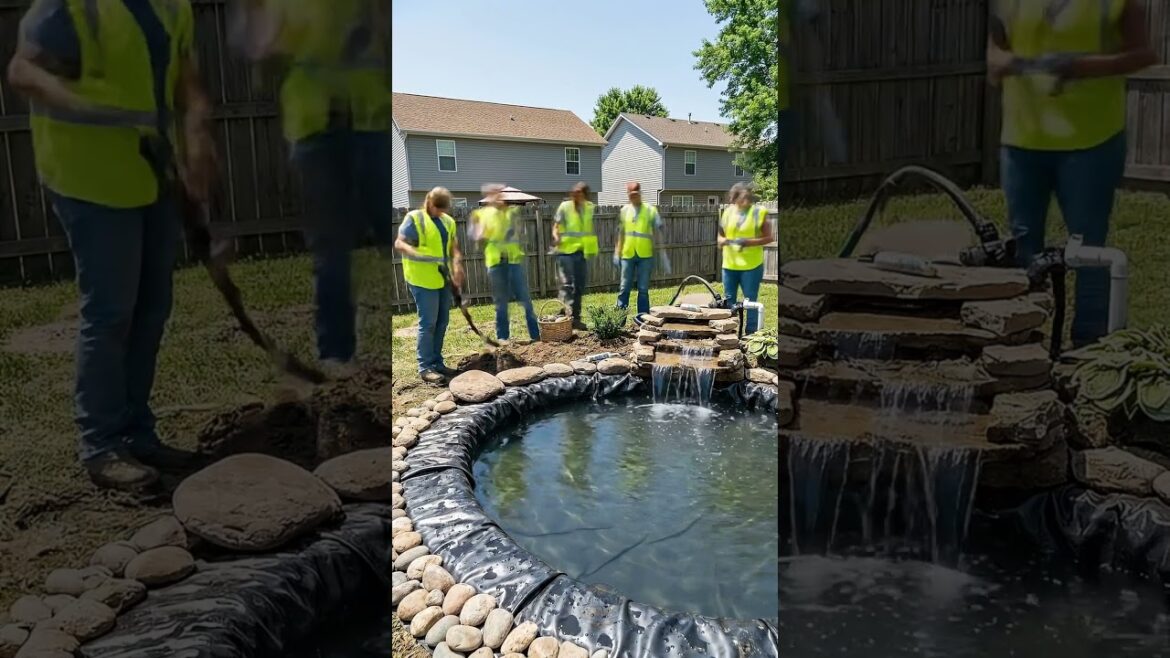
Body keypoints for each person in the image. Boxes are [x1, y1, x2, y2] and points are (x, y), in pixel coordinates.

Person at [7, 0, 216, 491]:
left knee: (151, 308)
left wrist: (196, 132)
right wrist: (93, 109)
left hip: (150, 169)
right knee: (110, 312)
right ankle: (101, 445)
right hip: (87, 173)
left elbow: (184, 74)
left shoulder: (172, 6)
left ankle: (137, 433)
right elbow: (22, 70)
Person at [231, 0, 391, 376]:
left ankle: (416, 339)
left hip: (372, 119)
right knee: (332, 249)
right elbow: (257, 52)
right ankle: (337, 359)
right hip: (315, 127)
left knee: (390, 228)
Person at [987, 0, 1155, 346]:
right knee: (1021, 247)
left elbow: (1143, 54)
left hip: (1091, 142)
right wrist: (1009, 64)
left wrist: (1079, 66)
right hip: (1023, 141)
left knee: (1089, 250)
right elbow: (994, 56)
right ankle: (1020, 348)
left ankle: (1088, 350)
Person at [395, 187, 464, 385]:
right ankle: (425, 367)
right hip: (421, 279)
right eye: (437, 208)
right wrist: (416, 253)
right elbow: (399, 244)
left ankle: (437, 362)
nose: (439, 212)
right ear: (428, 201)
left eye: (443, 209)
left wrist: (458, 264)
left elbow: (454, 247)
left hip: (442, 277)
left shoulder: (447, 221)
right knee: (428, 323)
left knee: (442, 321)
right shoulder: (415, 218)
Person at [473, 185, 540, 344]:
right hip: (496, 264)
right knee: (501, 303)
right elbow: (476, 237)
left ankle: (536, 336)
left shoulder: (511, 213)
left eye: (498, 194)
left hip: (514, 261)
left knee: (525, 300)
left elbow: (516, 231)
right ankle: (503, 338)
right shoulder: (482, 215)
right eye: (492, 195)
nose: (496, 197)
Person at [719, 183, 775, 334]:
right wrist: (721, 241)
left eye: (746, 197)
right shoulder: (728, 212)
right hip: (729, 265)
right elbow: (721, 234)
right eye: (740, 198)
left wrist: (747, 242)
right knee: (728, 300)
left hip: (751, 266)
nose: (744, 201)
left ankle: (751, 334)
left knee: (750, 301)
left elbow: (770, 237)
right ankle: (728, 333)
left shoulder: (759, 212)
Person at [553, 182, 598, 330]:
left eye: (580, 192)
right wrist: (556, 237)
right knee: (567, 285)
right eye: (575, 192)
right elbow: (556, 226)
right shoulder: (565, 207)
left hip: (581, 252)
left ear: (585, 194)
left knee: (579, 287)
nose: (576, 194)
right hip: (565, 252)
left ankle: (574, 317)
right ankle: (568, 317)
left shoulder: (589, 208)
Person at [614, 182, 663, 316]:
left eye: (635, 194)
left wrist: (658, 249)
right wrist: (617, 252)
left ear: (640, 193)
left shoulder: (650, 210)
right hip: (627, 254)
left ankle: (643, 319)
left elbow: (658, 228)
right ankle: (619, 320)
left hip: (645, 255)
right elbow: (621, 233)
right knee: (624, 288)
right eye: (630, 195)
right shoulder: (624, 210)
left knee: (643, 289)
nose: (633, 197)